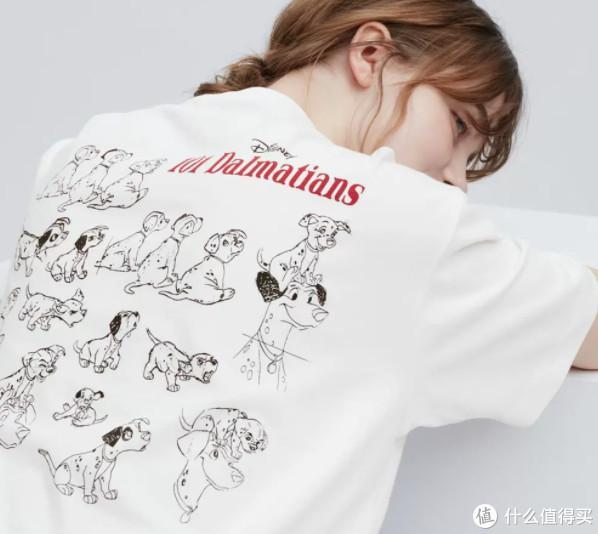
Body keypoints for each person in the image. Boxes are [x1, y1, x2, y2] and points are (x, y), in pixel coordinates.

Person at [0, 0, 596, 532]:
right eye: (459, 124)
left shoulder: (90, 147)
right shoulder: (403, 218)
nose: (457, 181)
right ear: (370, 54)